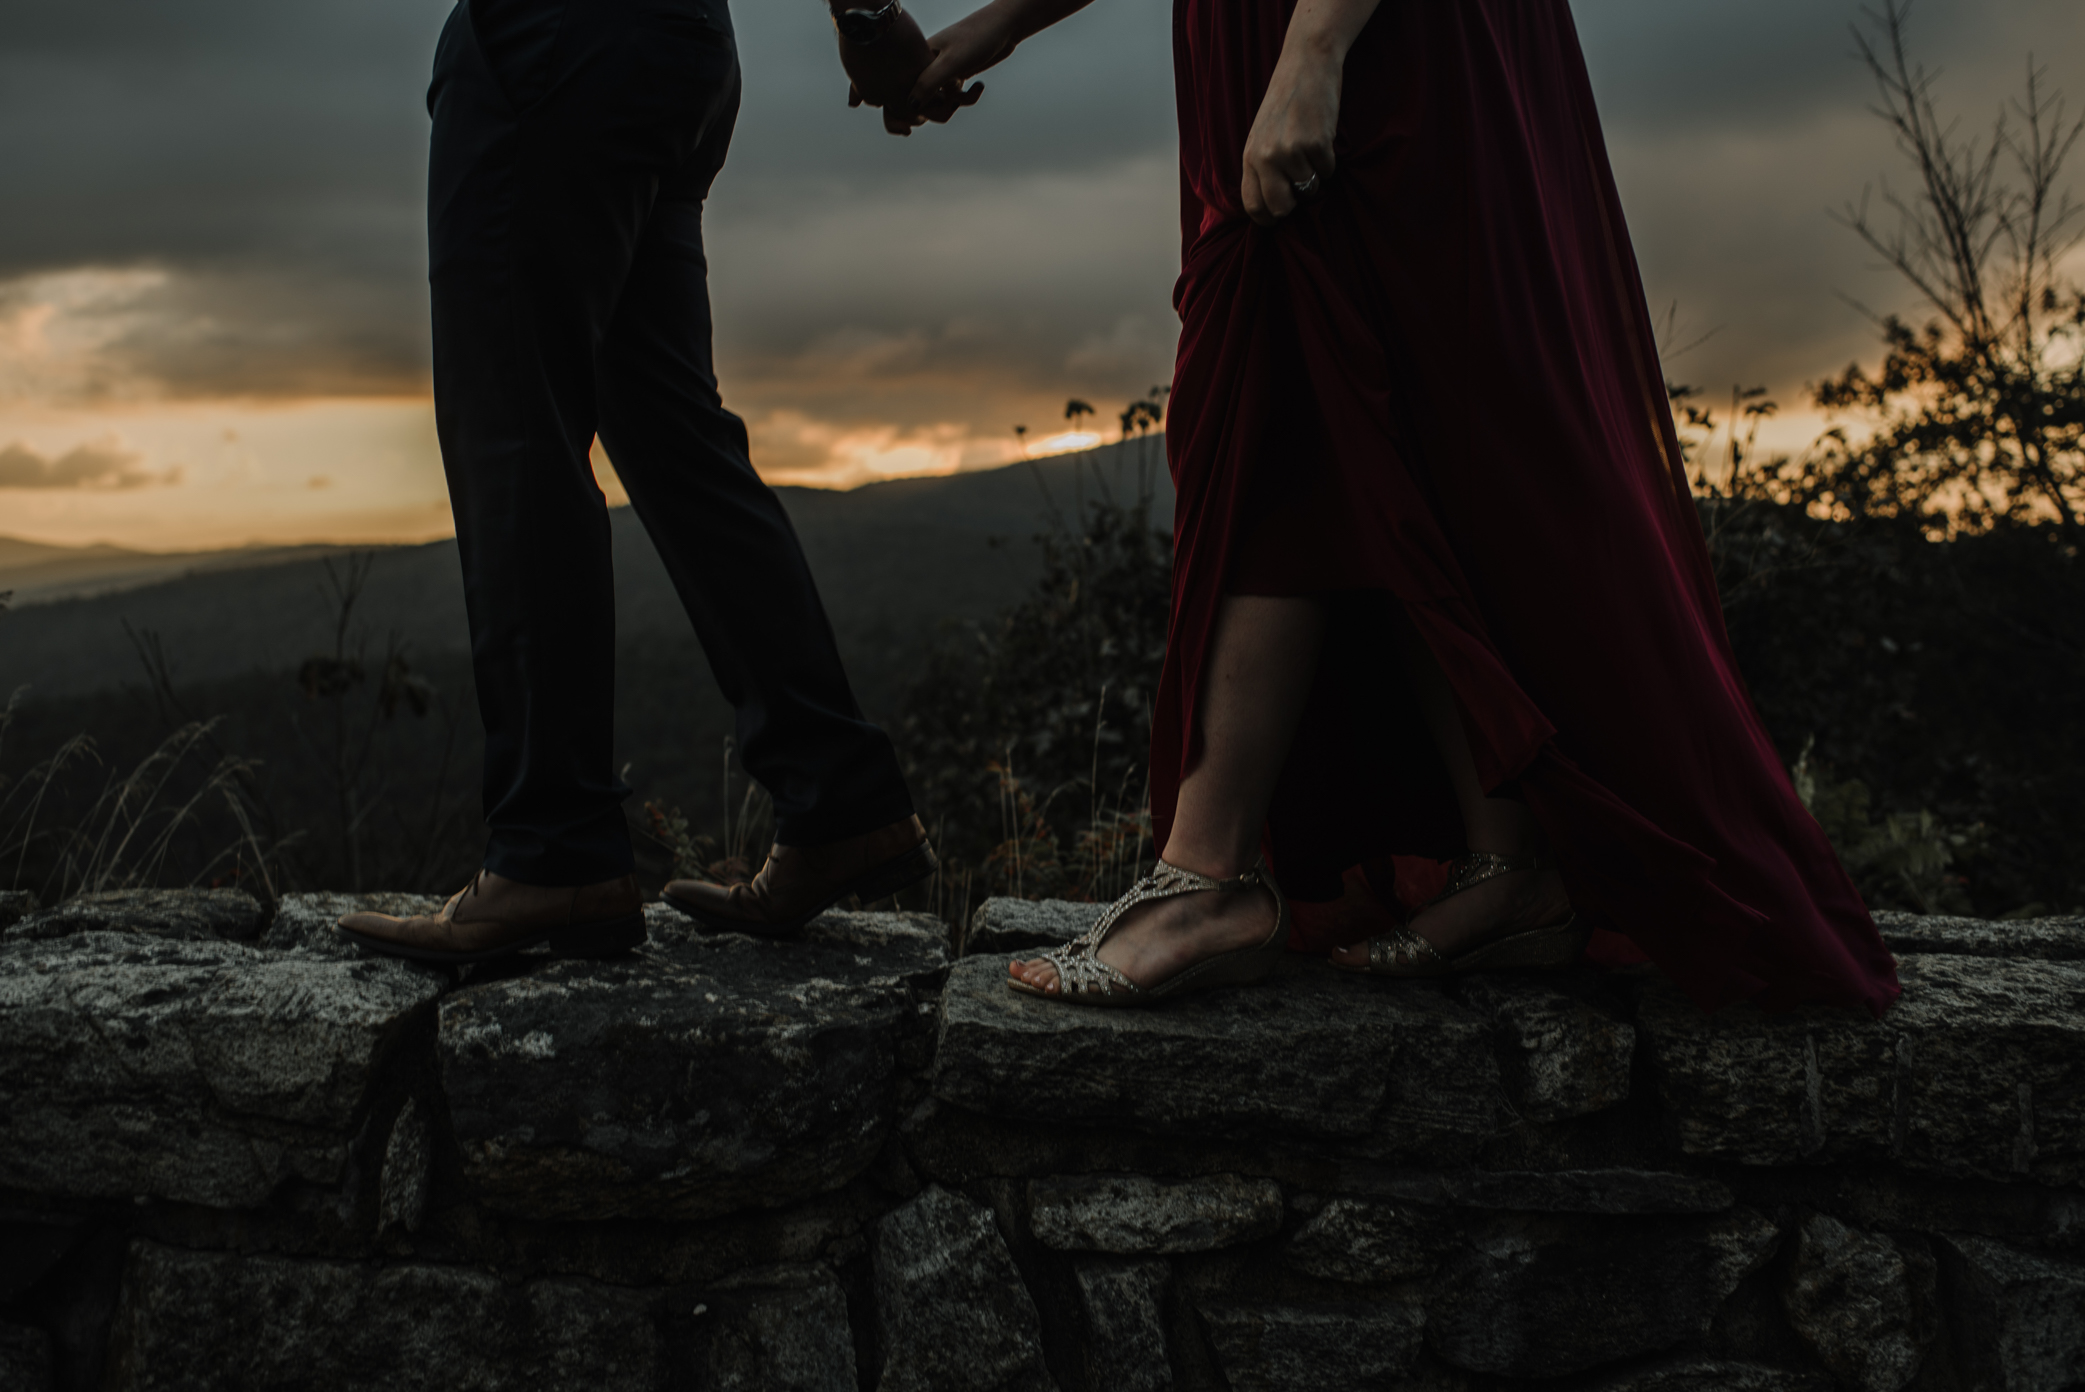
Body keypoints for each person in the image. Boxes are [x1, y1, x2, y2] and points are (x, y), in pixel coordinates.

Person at [863, 0, 1902, 1015]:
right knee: (1383, 425)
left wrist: (1315, 47)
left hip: (1376, 40)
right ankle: (1504, 866)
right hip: (1282, 39)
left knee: (1298, 398)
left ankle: (1210, 874)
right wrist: (997, 24)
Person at [339, 0, 936, 964]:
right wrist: (865, 16)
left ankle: (552, 851)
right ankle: (839, 800)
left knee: (517, 435)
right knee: (675, 438)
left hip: (544, 46)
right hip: (678, 46)